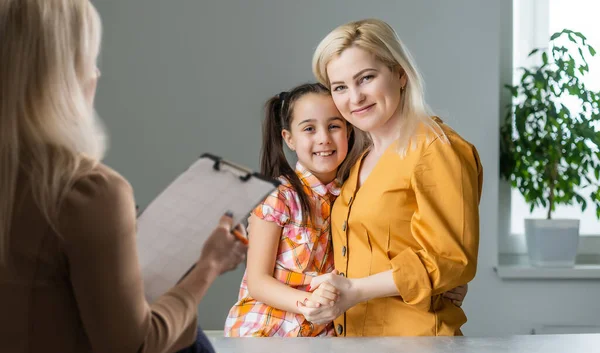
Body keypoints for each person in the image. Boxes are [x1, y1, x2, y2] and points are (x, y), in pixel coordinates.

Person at [0, 1, 246, 352]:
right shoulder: (87, 190)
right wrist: (208, 265)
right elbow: (136, 346)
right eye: (90, 59)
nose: (96, 75)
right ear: (64, 74)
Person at [224, 83, 469, 337]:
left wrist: (442, 283)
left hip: (323, 333)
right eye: (309, 128)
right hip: (268, 330)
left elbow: (389, 251)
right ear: (289, 138)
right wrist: (307, 305)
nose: (323, 138)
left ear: (348, 131)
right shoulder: (279, 196)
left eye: (334, 126)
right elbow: (257, 282)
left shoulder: (353, 192)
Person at [297, 18, 483, 337]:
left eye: (366, 78)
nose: (354, 98)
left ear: (399, 73)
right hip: (355, 339)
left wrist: (354, 290)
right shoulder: (358, 160)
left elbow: (450, 259)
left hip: (418, 341)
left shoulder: (436, 149)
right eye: (340, 87)